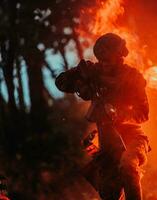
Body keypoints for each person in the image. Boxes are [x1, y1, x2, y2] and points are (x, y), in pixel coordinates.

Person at [55, 33, 150, 200]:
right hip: (107, 142)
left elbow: (143, 113)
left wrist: (119, 113)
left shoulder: (132, 77)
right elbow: (61, 82)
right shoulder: (92, 71)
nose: (104, 62)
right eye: (101, 58)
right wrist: (80, 83)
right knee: (109, 193)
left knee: (128, 166)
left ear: (119, 55)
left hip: (132, 137)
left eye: (108, 57)